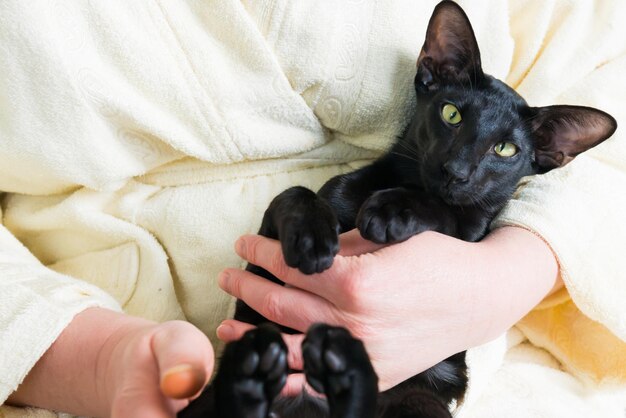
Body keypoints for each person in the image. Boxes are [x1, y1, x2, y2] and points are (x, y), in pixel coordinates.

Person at [1, 1, 624, 417]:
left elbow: (606, 74)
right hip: (161, 346)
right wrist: (105, 359)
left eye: (504, 149)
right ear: (432, 73)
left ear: (545, 154)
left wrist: (507, 274)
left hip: (444, 375)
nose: (461, 165)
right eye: (453, 118)